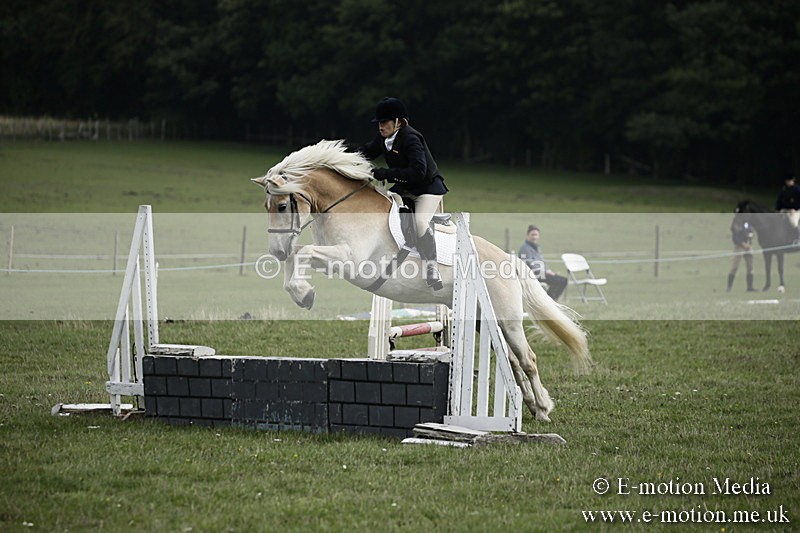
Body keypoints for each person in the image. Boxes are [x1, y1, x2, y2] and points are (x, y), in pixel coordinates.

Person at [358, 97, 449, 290]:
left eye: (384, 122)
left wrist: (386, 174)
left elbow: (418, 172)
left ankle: (432, 267)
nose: (380, 127)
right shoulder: (384, 138)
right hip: (405, 188)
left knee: (420, 222)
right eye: (379, 123)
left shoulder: (411, 138)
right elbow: (366, 152)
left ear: (398, 122)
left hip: (427, 189)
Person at [518, 225, 568, 301]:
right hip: (533, 274)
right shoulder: (525, 248)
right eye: (532, 235)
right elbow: (531, 264)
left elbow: (542, 262)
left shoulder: (537, 247)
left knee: (563, 280)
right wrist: (546, 271)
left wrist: (548, 270)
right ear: (527, 235)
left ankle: (550, 300)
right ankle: (549, 301)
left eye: (536, 235)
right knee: (559, 281)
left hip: (541, 273)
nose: (534, 237)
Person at [727, 219, 756, 292]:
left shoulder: (748, 221)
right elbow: (735, 237)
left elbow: (751, 230)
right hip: (739, 246)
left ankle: (750, 287)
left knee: (750, 266)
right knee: (735, 267)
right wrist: (743, 244)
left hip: (748, 245)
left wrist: (751, 235)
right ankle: (729, 287)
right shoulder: (736, 222)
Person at [775, 174, 800, 244]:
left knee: (793, 223)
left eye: (790, 181)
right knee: (777, 220)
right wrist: (777, 209)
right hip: (785, 210)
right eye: (787, 181)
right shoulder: (783, 189)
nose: (788, 182)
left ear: (793, 181)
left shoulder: (797, 189)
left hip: (796, 210)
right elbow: (779, 200)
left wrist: (795, 208)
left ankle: (798, 238)